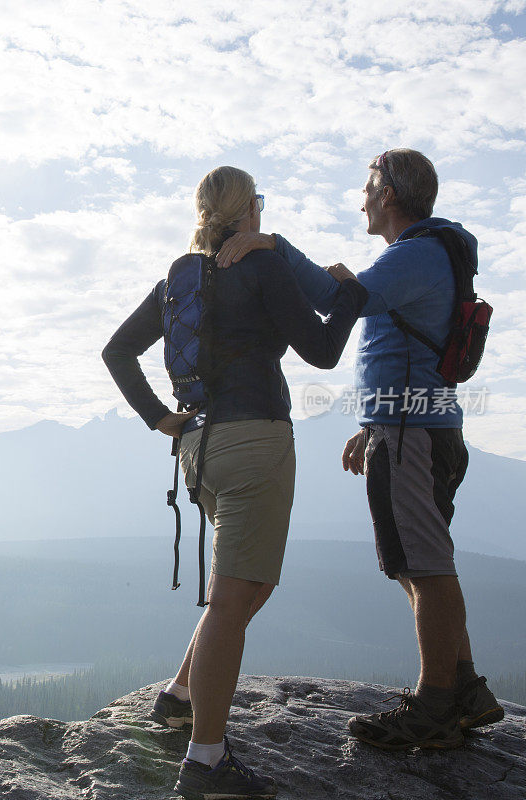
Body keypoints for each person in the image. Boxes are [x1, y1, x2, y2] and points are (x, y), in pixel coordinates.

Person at [217, 148, 504, 751]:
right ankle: (466, 689)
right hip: (409, 427)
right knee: (416, 562)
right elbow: (394, 346)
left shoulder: (415, 254)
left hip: (410, 435)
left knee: (425, 566)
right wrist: (371, 426)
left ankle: (435, 705)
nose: (361, 197)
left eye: (368, 186)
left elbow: (333, 300)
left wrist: (275, 246)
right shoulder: (423, 255)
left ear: (391, 195)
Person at [102, 166, 367, 799]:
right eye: (260, 205)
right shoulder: (261, 266)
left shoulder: (177, 279)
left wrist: (161, 419)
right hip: (256, 441)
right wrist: (350, 295)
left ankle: (181, 696)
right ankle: (206, 760)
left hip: (198, 448)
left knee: (250, 584)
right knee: (234, 597)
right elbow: (323, 351)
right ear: (248, 210)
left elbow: (117, 350)